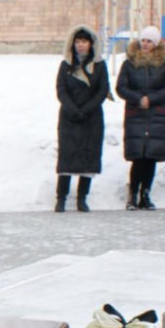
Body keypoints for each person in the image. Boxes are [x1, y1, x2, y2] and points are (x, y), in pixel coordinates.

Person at [116, 25, 165, 210]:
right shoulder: (129, 63)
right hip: (136, 114)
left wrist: (151, 99)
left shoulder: (164, 65)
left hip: (156, 115)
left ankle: (146, 194)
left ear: (156, 44)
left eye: (149, 41)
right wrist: (138, 99)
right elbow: (121, 87)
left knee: (151, 156)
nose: (145, 44)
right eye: (143, 40)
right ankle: (133, 194)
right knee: (138, 156)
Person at [54, 25, 109, 213]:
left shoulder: (99, 66)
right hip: (70, 117)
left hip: (91, 118)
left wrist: (86, 109)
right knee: (67, 158)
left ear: (91, 44)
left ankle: (82, 198)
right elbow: (61, 89)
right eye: (77, 42)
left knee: (88, 158)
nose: (80, 46)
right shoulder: (66, 65)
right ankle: (61, 198)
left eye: (84, 42)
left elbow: (103, 90)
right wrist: (73, 109)